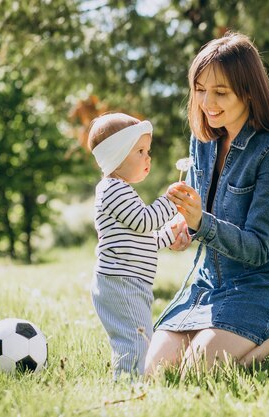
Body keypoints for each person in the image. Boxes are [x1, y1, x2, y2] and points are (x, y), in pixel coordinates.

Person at [144, 32, 269, 377]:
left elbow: (257, 248)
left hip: (263, 284)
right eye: (199, 89)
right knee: (154, 372)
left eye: (220, 92)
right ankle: (266, 342)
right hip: (210, 284)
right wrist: (184, 228)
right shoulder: (204, 140)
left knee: (196, 372)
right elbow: (201, 214)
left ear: (249, 91)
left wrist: (201, 224)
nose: (207, 102)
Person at [88, 113, 187, 379]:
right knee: (136, 339)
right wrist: (170, 201)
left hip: (129, 281)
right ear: (116, 156)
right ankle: (129, 385)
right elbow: (145, 222)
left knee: (139, 336)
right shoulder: (113, 190)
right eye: (140, 151)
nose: (148, 158)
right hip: (121, 282)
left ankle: (132, 378)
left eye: (148, 151)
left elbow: (143, 240)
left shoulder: (122, 190)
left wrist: (170, 232)